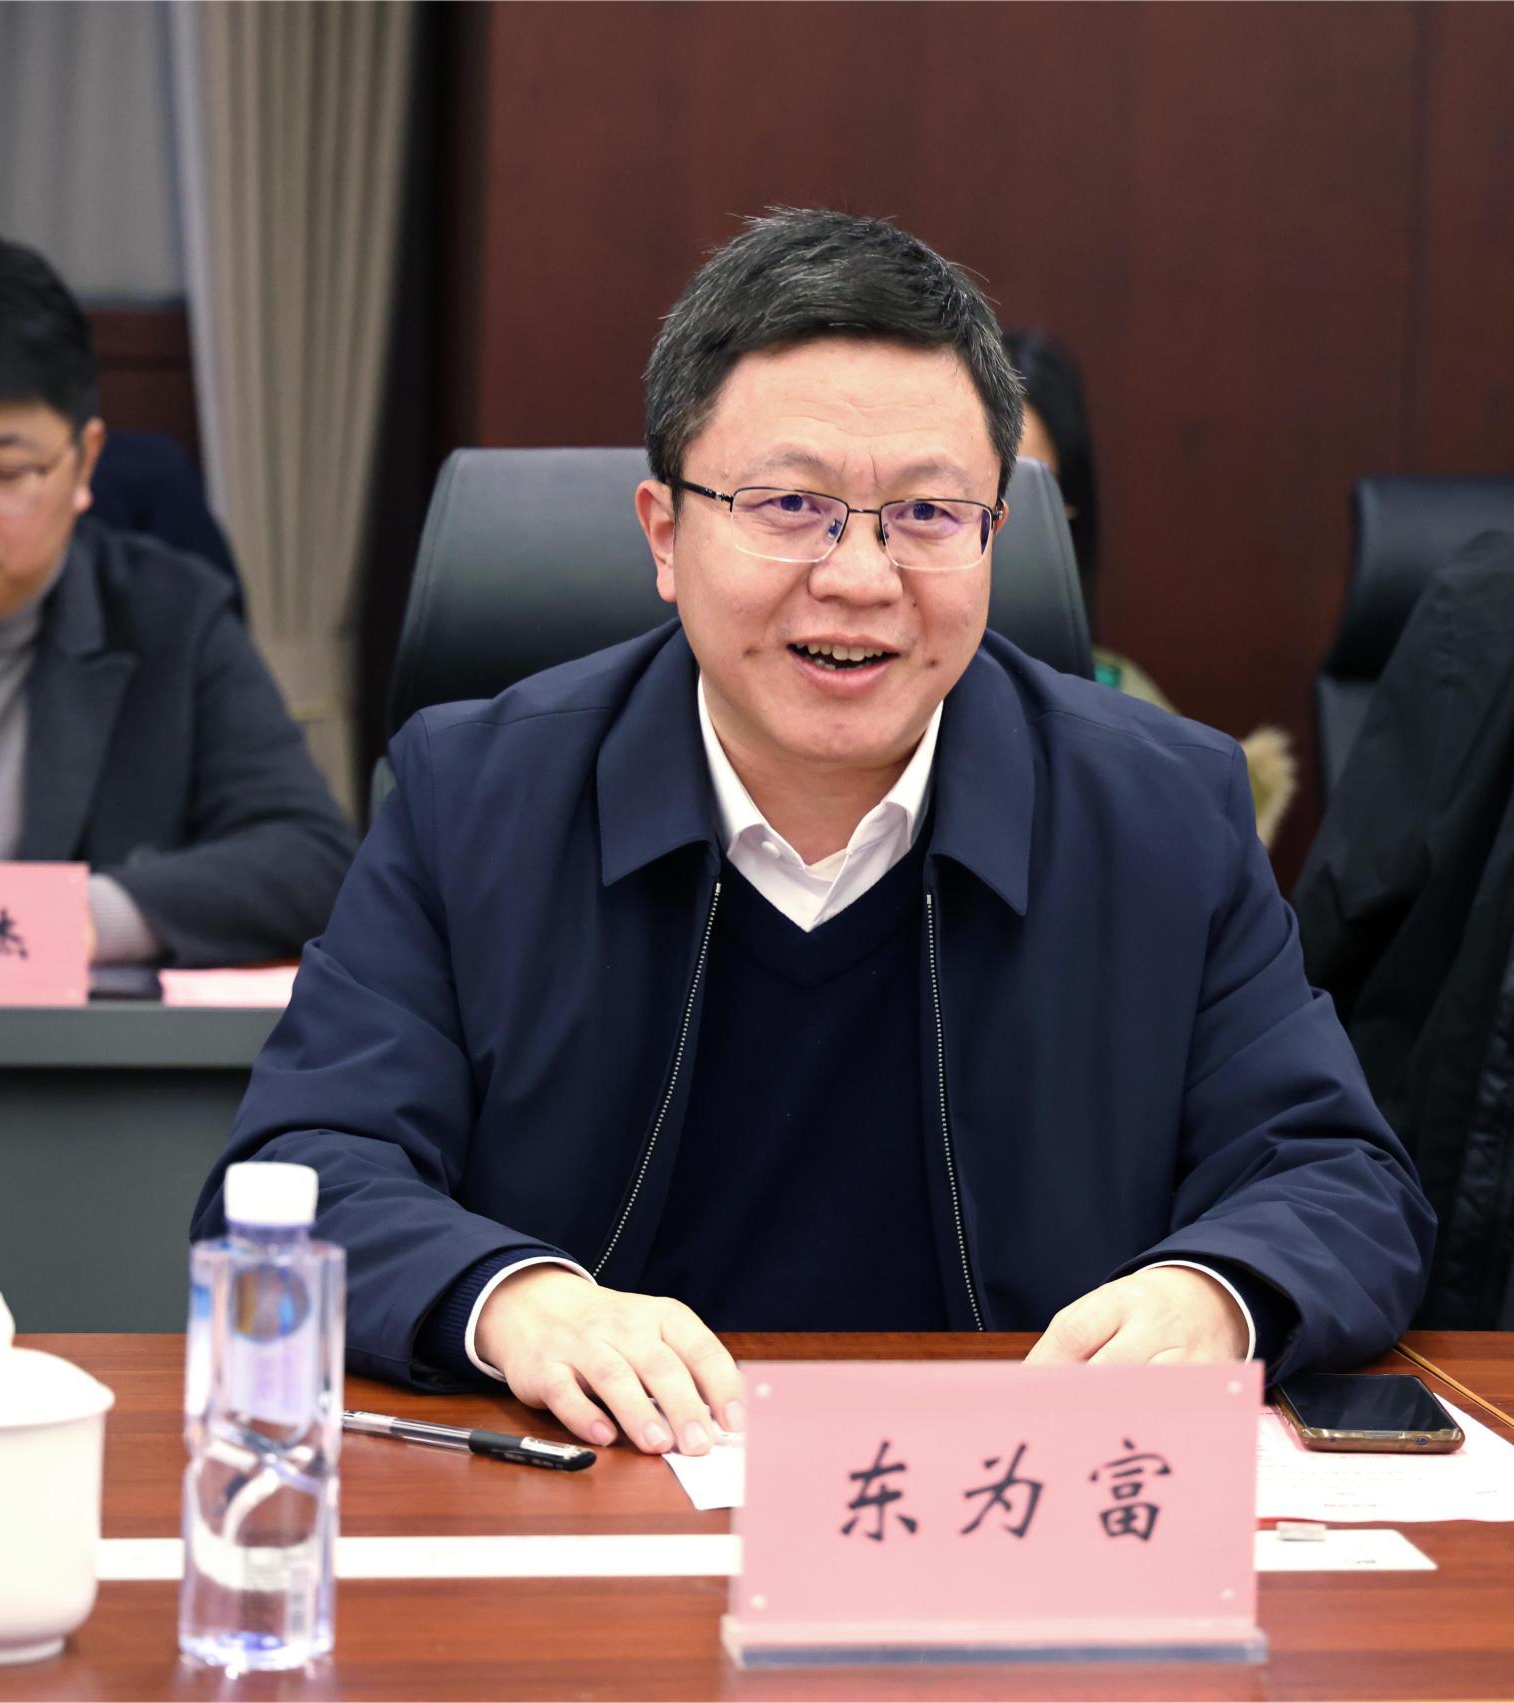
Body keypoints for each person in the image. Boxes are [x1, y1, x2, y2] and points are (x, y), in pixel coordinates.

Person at [195, 210, 1432, 1457]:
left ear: (995, 537)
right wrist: (513, 1297)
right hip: (603, 1490)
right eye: (789, 503)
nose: (858, 576)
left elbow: (1338, 1176)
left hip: (1008, 1505)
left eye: (928, 513)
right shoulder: (474, 797)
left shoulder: (1161, 812)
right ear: (664, 534)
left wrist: (1212, 1291)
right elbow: (307, 1166)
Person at [0, 230, 356, 966]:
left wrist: (78, 922)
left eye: (7, 471)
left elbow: (312, 858)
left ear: (84, 461)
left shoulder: (172, 618)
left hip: (65, 1035)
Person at [1003, 326, 1298, 845]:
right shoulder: (888, 690)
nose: (1001, 521)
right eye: (978, 488)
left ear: (1068, 515)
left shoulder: (1124, 704)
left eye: (1030, 495)